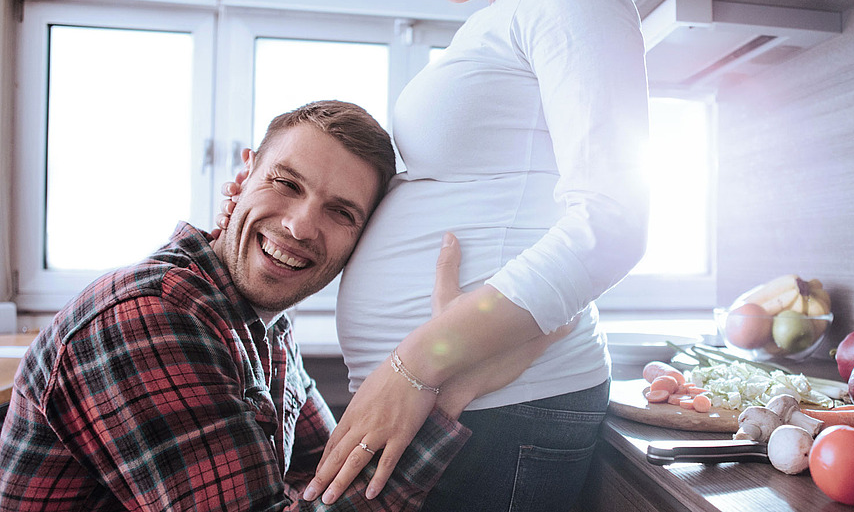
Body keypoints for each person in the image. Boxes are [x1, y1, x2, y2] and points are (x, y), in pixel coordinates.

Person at [219, 0, 650, 509]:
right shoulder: (511, 6)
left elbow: (617, 220)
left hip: (500, 401)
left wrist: (417, 361)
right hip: (471, 395)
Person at [0, 101, 560, 512]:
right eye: (286, 183)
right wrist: (457, 382)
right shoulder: (150, 318)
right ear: (243, 176)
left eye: (342, 213)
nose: (299, 226)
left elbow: (329, 479)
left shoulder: (268, 332)